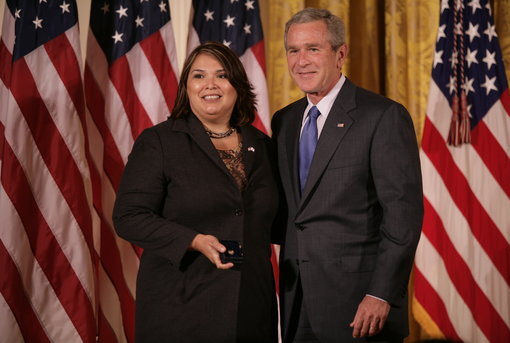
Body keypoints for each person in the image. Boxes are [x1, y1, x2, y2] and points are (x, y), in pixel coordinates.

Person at [271, 8, 424, 343]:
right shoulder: (284, 121)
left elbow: (403, 217)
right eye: (294, 50)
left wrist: (381, 294)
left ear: (340, 54)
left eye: (313, 48)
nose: (302, 61)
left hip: (360, 306)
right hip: (296, 303)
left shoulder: (382, 116)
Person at [113, 42, 281, 343]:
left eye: (221, 75)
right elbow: (128, 216)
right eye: (199, 76)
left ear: (237, 86)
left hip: (251, 308)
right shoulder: (160, 142)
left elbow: (278, 223)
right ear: (186, 87)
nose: (210, 85)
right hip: (181, 305)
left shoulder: (264, 145)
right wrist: (193, 240)